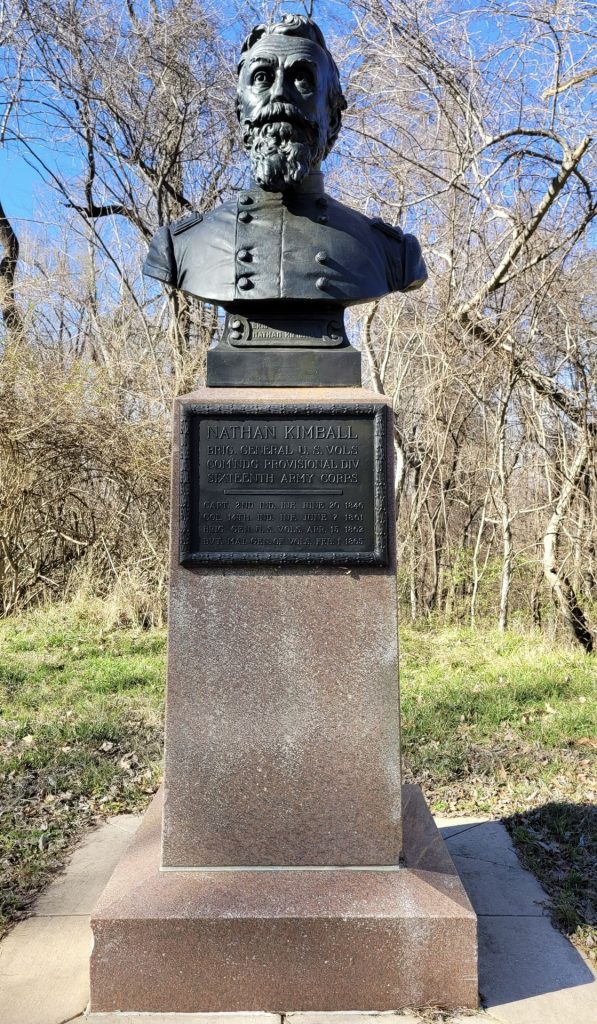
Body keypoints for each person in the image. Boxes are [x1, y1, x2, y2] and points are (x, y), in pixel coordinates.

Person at [143, 14, 427, 307]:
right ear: (241, 113)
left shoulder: (391, 256)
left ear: (333, 118)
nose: (279, 94)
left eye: (301, 77)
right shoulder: (180, 249)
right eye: (262, 78)